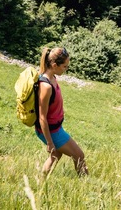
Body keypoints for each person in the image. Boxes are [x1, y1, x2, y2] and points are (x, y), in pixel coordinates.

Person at [35, 46, 88, 177]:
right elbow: (42, 117)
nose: (66, 69)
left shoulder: (52, 78)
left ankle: (41, 182)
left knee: (56, 154)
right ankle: (87, 184)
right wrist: (50, 142)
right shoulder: (45, 86)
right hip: (51, 131)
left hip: (56, 128)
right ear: (54, 65)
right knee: (79, 155)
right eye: (64, 66)